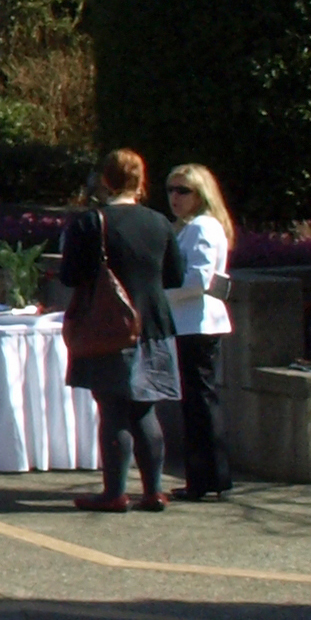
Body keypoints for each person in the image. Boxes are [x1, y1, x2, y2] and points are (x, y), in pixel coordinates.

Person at [60, 148, 187, 511]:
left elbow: (71, 276)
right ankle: (154, 490)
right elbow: (175, 276)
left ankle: (115, 491)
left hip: (109, 327)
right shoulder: (159, 222)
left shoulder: (90, 223)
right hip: (155, 326)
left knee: (113, 410)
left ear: (105, 180)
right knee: (145, 410)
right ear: (141, 181)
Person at [163, 164, 238, 498]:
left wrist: (160, 295)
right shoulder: (190, 228)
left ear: (201, 194)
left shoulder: (203, 227)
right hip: (191, 321)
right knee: (197, 401)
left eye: (183, 191)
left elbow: (198, 279)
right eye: (171, 190)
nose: (175, 198)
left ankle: (207, 479)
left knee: (200, 402)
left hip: (198, 323)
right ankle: (207, 478)